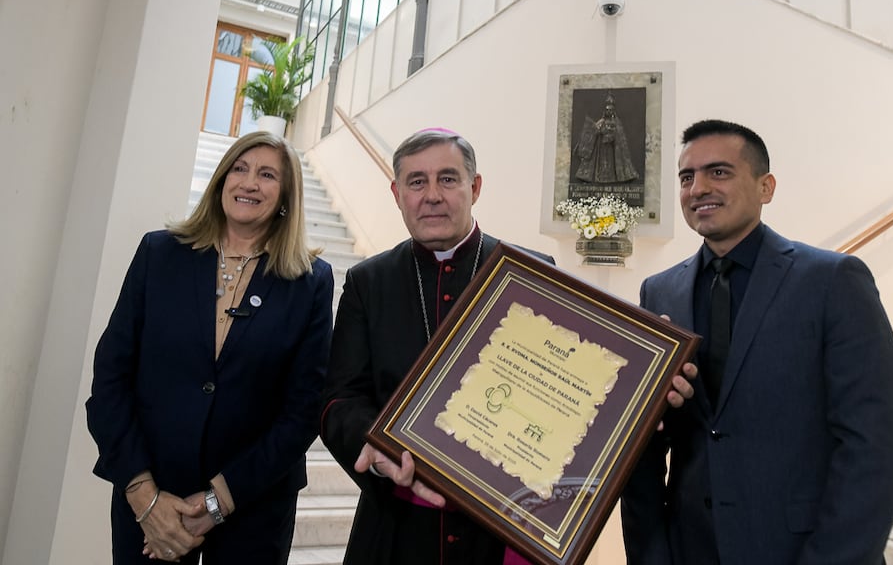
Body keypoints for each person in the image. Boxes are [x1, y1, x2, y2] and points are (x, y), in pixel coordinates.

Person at [320, 128, 696, 565]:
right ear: (397, 193)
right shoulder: (369, 282)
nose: (432, 195)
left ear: (475, 187)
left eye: (448, 179)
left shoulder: (531, 272)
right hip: (399, 526)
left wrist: (648, 376)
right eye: (417, 182)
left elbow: (576, 380)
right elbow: (339, 399)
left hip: (504, 529)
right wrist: (376, 447)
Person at [620, 119, 893, 564]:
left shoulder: (832, 281)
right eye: (686, 177)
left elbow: (874, 447)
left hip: (799, 550)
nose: (698, 188)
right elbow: (645, 445)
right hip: (691, 549)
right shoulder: (659, 293)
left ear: (765, 187)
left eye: (718, 172)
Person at [86, 131, 334, 564]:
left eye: (267, 175)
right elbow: (110, 378)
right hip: (152, 502)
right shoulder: (159, 253)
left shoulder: (311, 281)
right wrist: (143, 495)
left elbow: (305, 408)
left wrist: (221, 499)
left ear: (286, 197)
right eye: (239, 169)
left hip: (254, 505)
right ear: (221, 180)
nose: (249, 182)